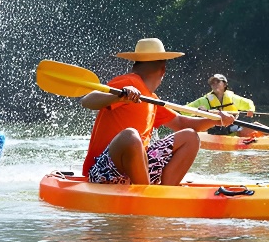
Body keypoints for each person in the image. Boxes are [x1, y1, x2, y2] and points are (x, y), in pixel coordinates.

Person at [81, 38, 235, 186]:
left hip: (138, 171)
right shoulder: (129, 81)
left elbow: (182, 123)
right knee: (131, 136)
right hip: (103, 171)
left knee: (190, 136)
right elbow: (87, 100)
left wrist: (216, 119)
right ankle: (145, 194)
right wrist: (120, 96)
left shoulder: (151, 99)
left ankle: (162, 194)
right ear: (163, 70)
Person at [185, 73, 259, 137]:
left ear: (225, 84)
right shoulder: (205, 100)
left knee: (256, 125)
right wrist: (198, 112)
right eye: (212, 83)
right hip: (215, 131)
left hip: (232, 129)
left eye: (217, 82)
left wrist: (250, 109)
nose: (215, 84)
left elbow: (248, 103)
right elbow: (185, 110)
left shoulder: (232, 98)